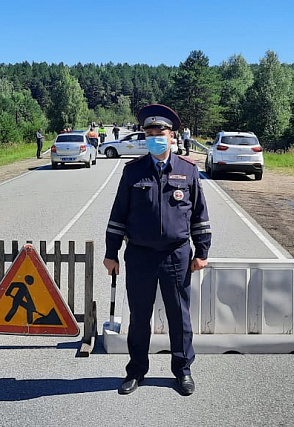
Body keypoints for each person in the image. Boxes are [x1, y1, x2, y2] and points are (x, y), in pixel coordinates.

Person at [104, 103, 211, 396]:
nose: (155, 136)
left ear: (172, 135)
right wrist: (111, 253)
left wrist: (202, 252)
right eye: (149, 132)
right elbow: (118, 215)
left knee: (179, 317)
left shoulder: (188, 171)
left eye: (160, 131)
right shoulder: (132, 172)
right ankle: (136, 371)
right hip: (139, 256)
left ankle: (183, 371)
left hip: (176, 256)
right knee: (139, 317)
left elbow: (199, 216)